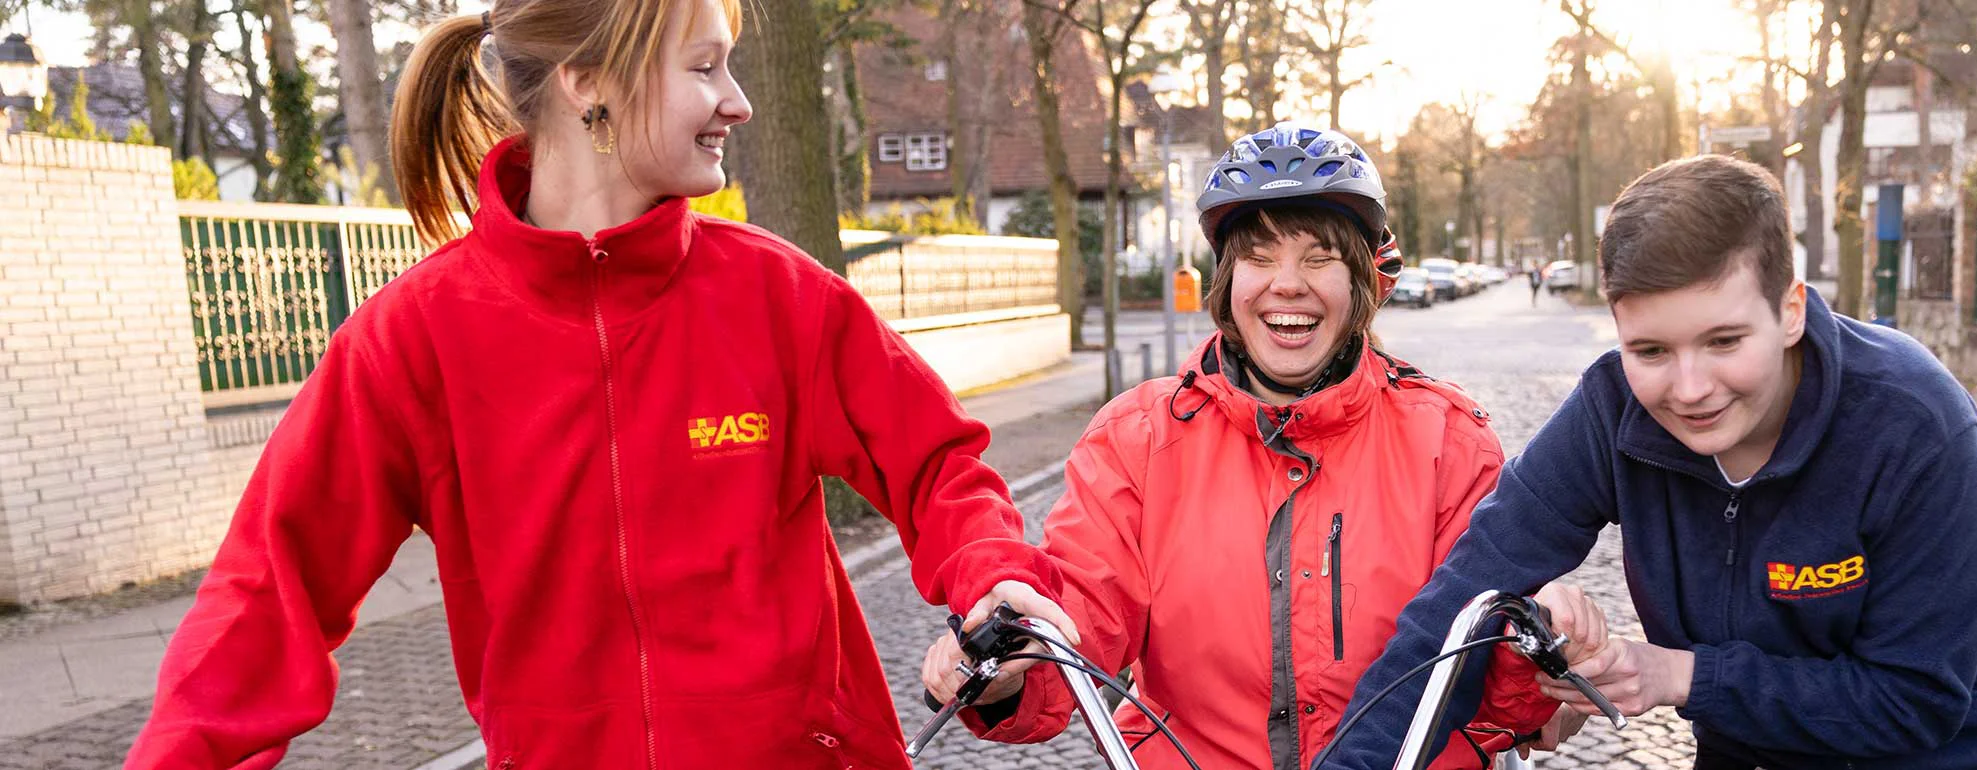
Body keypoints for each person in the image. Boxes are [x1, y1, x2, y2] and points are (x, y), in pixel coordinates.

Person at [122, 1, 1072, 767]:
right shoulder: (409, 343)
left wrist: (995, 583)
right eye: (703, 67)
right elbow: (266, 591)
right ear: (589, 84)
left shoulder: (782, 300)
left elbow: (939, 468)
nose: (738, 102)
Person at [1318, 154, 1977, 770]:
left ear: (1792, 311)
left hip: (1961, 747)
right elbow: (1466, 590)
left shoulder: (1913, 424)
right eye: (1649, 351)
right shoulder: (1613, 411)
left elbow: (1915, 702)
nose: (1689, 390)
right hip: (1750, 743)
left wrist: (1683, 674)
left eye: (1724, 341)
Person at [919, 122, 1559, 768]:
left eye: (1319, 258)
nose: (1287, 283)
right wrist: (1009, 671)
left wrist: (1534, 652)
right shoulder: (1136, 440)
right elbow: (1080, 622)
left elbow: (1495, 683)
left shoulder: (1447, 439)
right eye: (1258, 256)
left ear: (1360, 283)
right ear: (1227, 280)